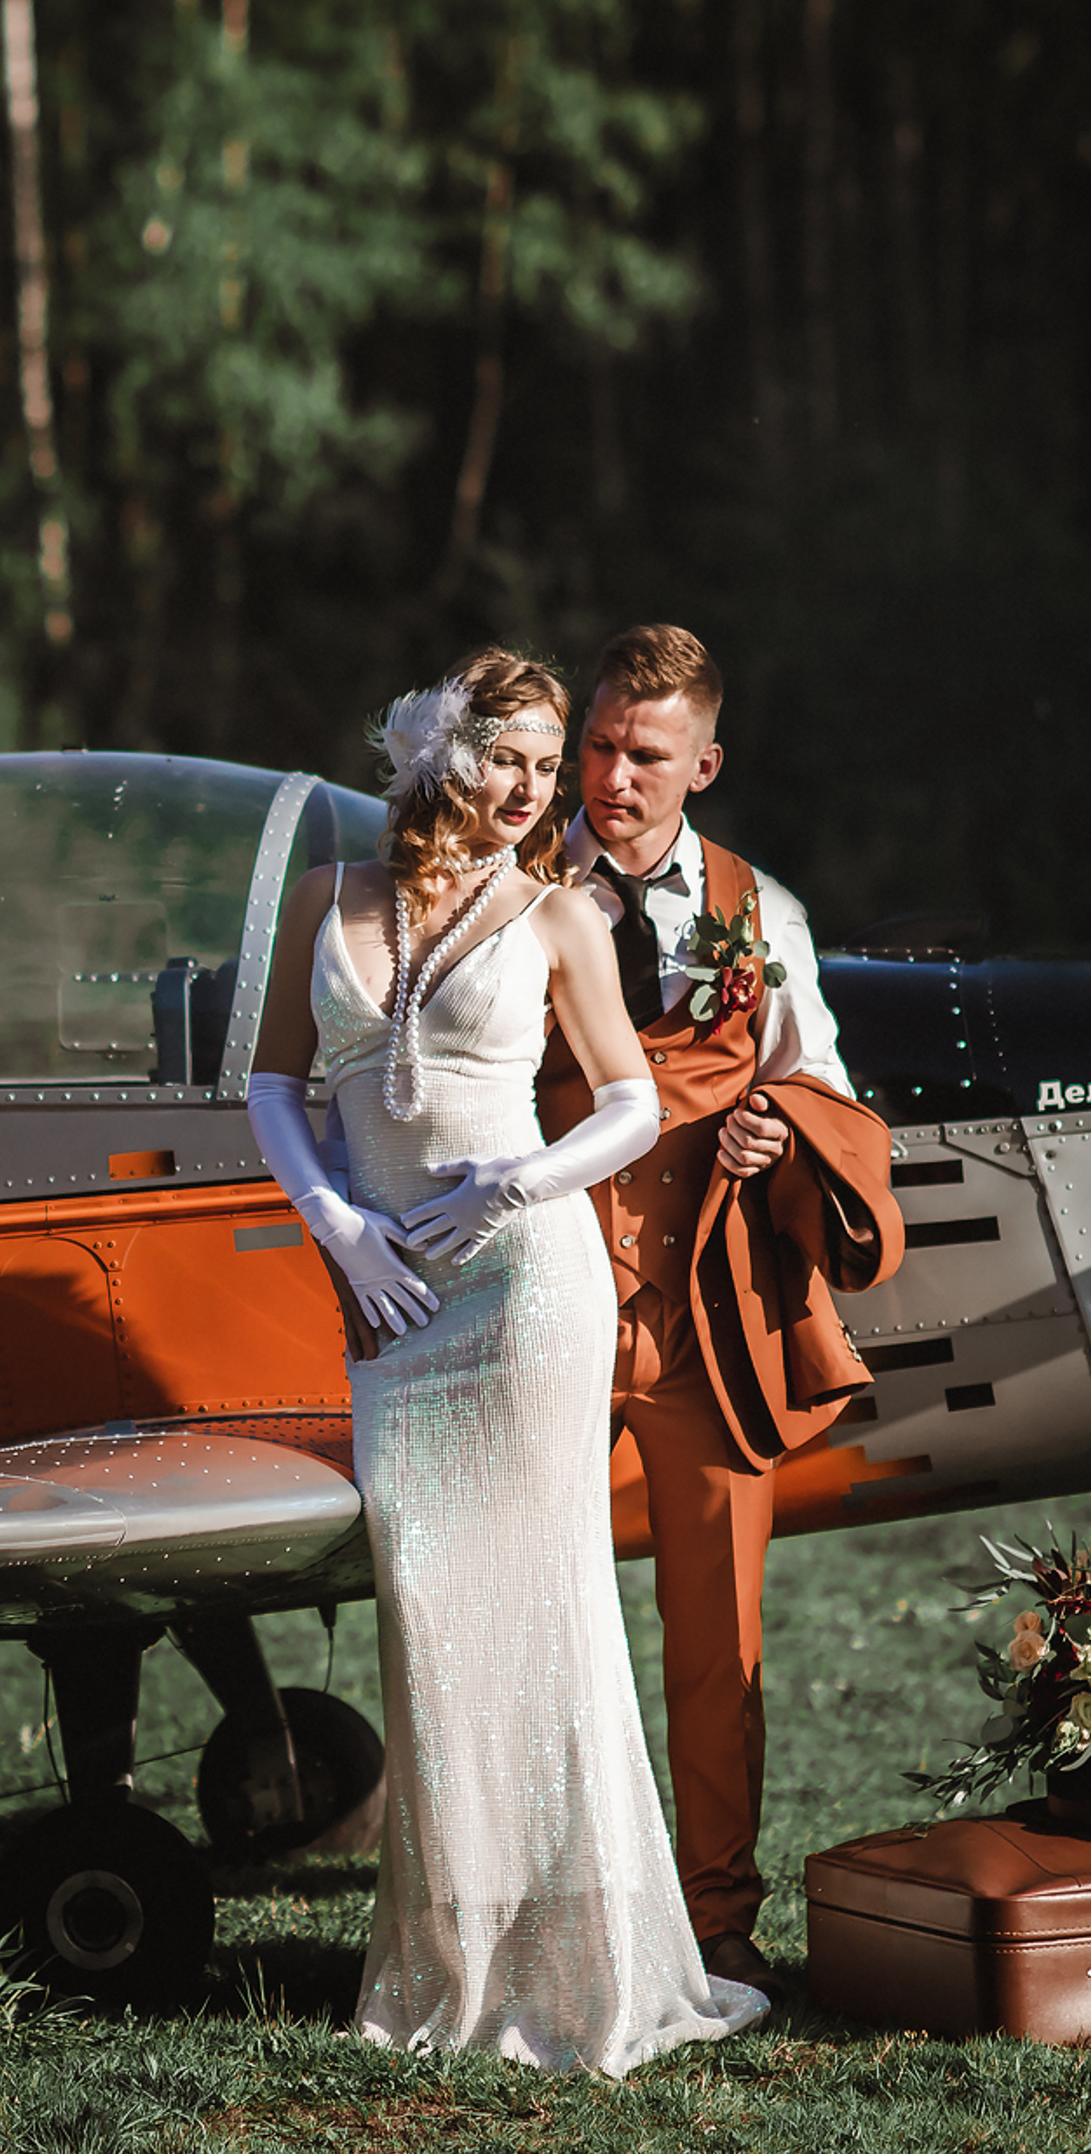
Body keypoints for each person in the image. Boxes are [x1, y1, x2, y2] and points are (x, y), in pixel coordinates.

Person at [246, 645, 767, 2075]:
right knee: (425, 1605)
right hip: (393, 1305)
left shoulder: (558, 916)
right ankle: (446, 1960)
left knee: (548, 1609)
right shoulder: (322, 900)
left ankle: (590, 1967)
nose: (538, 789)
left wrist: (512, 1191)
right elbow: (272, 1083)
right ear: (433, 752)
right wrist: (341, 1225)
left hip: (527, 1292)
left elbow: (630, 1107)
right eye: (514, 758)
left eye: (553, 765)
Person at [534, 623, 889, 1997]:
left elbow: (835, 1095)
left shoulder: (762, 911)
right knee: (535, 1608)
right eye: (602, 744)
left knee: (716, 1630)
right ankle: (545, 1905)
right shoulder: (513, 886)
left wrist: (779, 1139)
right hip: (546, 1303)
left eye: (646, 754)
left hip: (705, 1322)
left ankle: (715, 1914)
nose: (613, 776)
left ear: (706, 764)